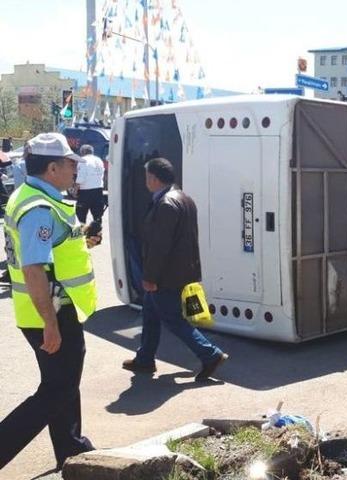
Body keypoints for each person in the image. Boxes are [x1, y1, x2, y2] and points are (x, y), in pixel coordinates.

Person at [0, 133, 100, 470]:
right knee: (57, 390)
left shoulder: (35, 197)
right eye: (70, 164)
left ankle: (72, 449)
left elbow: (54, 253)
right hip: (52, 312)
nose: (75, 169)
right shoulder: (38, 208)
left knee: (63, 384)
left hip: (53, 309)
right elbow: (33, 269)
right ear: (52, 167)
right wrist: (50, 323)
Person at [122, 158, 229, 381]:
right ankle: (145, 359)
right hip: (179, 271)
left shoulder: (166, 204)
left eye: (147, 177)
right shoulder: (183, 198)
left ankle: (210, 354)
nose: (146, 181)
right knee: (150, 313)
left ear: (153, 178)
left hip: (166, 275)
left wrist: (150, 277)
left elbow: (160, 245)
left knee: (173, 319)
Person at [74, 145, 105, 224]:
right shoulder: (99, 160)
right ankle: (97, 234)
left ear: (83, 152)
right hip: (98, 190)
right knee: (97, 216)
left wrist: (75, 190)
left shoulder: (83, 160)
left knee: (80, 216)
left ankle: (82, 234)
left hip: (85, 192)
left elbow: (81, 177)